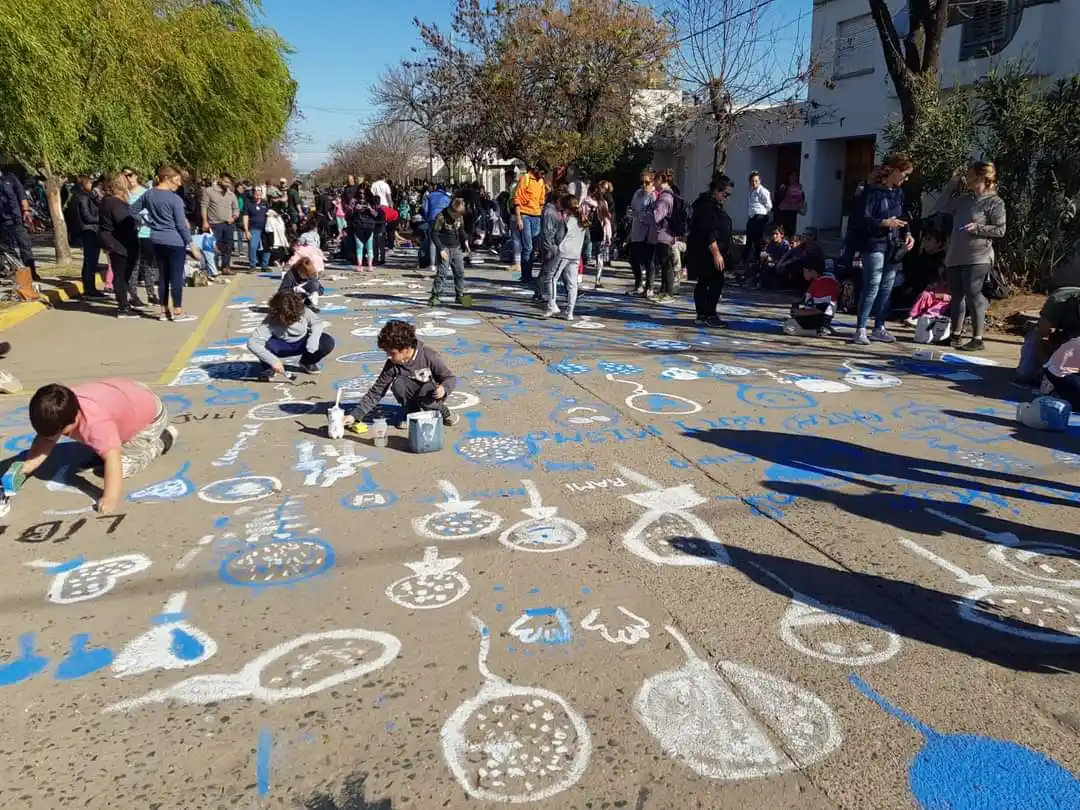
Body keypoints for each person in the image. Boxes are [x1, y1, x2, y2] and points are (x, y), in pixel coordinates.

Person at [16, 379, 178, 513]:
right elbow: (46, 439)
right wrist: (29, 464)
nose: (51, 437)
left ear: (74, 419)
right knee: (102, 446)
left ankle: (163, 441)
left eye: (58, 433)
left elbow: (113, 458)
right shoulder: (62, 403)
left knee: (122, 467)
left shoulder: (96, 425)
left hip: (150, 419)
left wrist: (110, 497)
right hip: (133, 393)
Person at [344, 320, 460, 429]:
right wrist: (354, 415)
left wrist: (444, 388)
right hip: (412, 392)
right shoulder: (392, 364)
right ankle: (412, 413)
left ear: (406, 348)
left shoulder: (429, 356)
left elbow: (449, 378)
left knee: (427, 395)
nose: (388, 356)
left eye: (392, 353)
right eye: (386, 352)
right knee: (398, 385)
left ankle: (444, 412)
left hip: (430, 394)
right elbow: (377, 390)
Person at [941, 161, 1007, 352]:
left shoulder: (995, 202)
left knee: (973, 293)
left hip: (978, 256)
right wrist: (952, 184)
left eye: (970, 175)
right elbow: (941, 207)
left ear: (981, 177)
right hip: (955, 254)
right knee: (957, 296)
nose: (967, 179)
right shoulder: (964, 200)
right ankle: (955, 335)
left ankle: (978, 338)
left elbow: (1000, 230)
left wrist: (978, 228)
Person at [851, 154, 915, 346]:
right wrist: (884, 222)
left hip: (893, 243)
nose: (906, 179)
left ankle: (879, 327)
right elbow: (862, 220)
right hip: (874, 243)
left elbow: (902, 215)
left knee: (887, 286)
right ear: (894, 171)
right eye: (904, 174)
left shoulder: (898, 193)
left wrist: (907, 233)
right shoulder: (871, 192)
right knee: (872, 284)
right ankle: (861, 328)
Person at [130, 165, 200, 322]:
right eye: (177, 180)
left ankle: (164, 311)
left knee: (163, 276)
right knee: (176, 277)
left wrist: (147, 222)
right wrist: (192, 245)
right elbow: (181, 225)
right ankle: (178, 311)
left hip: (157, 239)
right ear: (166, 178)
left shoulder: (149, 194)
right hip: (175, 241)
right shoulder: (175, 200)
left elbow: (132, 210)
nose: (179, 184)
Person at [246, 290, 334, 377]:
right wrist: (273, 361)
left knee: (326, 342)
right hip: (280, 346)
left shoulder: (304, 311)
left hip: (302, 343)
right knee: (262, 345)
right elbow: (253, 342)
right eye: (286, 318)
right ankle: (269, 368)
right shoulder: (270, 320)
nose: (291, 322)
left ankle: (307, 362)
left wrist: (313, 339)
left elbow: (317, 323)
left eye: (295, 318)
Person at [688, 175, 734, 328]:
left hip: (708, 251)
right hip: (707, 252)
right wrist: (716, 253)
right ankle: (709, 314)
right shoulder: (707, 207)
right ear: (716, 190)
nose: (727, 198)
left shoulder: (712, 205)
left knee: (705, 281)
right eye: (725, 194)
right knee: (715, 281)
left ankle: (703, 314)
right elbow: (709, 232)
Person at [1014, 287, 1080, 386]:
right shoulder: (1058, 301)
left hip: (1076, 339)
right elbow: (1042, 336)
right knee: (1026, 374)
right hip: (1056, 334)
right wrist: (1045, 367)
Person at [97, 176, 141, 318]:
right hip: (118, 242)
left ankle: (125, 303)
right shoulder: (113, 202)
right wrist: (137, 221)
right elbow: (123, 222)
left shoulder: (114, 200)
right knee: (120, 275)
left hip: (122, 241)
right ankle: (123, 307)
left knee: (124, 274)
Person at [547, 194, 587, 320]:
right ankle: (570, 312)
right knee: (572, 284)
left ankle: (552, 304)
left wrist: (556, 247)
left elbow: (559, 237)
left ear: (566, 208)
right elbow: (587, 240)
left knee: (552, 277)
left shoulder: (566, 221)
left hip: (564, 253)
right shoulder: (583, 221)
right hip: (576, 254)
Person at [0, 166, 40, 282]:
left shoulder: (10, 177)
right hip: (2, 222)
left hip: (16, 219)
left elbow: (21, 195)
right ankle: (19, 273)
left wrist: (26, 211)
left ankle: (31, 273)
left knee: (25, 246)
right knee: (8, 249)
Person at [512, 160, 549, 283]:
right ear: (537, 169)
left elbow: (542, 201)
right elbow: (517, 199)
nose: (543, 176)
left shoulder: (541, 181)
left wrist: (541, 214)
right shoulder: (526, 178)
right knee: (528, 247)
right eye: (542, 173)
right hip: (525, 216)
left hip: (536, 217)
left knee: (534, 249)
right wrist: (519, 218)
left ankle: (529, 274)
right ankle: (526, 276)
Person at [123, 168, 155, 307]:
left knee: (148, 264)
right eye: (125, 176)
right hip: (131, 233)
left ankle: (151, 294)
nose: (128, 178)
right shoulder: (124, 194)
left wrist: (144, 218)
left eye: (130, 175)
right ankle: (133, 296)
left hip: (147, 232)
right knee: (134, 266)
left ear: (136, 175)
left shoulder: (146, 192)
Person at [429, 197, 470, 306]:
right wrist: (441, 248)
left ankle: (459, 295)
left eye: (460, 215)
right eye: (456, 214)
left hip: (456, 247)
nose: (458, 217)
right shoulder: (441, 217)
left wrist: (465, 241)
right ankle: (435, 295)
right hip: (445, 247)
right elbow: (434, 234)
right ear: (452, 211)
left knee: (460, 272)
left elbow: (461, 230)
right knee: (442, 272)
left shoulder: (460, 217)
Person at [784, 264, 840, 337]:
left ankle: (818, 331)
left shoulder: (824, 282)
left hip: (818, 318)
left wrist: (801, 313)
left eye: (804, 271)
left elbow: (822, 309)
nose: (803, 273)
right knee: (790, 321)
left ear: (812, 270)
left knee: (789, 327)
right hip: (814, 315)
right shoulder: (817, 280)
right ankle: (821, 329)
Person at [649, 170, 680, 302]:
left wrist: (646, 214)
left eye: (654, 181)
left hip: (664, 234)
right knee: (664, 263)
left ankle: (669, 293)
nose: (653, 184)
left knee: (666, 264)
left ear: (660, 180)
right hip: (667, 233)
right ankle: (664, 291)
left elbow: (657, 216)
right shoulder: (669, 195)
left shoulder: (665, 197)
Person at [201, 173, 239, 275]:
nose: (227, 184)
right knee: (214, 247)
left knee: (228, 247)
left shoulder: (231, 194)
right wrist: (205, 221)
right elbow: (204, 207)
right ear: (220, 180)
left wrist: (233, 217)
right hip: (214, 224)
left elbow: (236, 208)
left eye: (229, 183)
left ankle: (225, 267)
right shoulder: (209, 191)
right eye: (225, 182)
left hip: (228, 225)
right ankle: (213, 268)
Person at [72, 175, 104, 297]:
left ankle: (90, 287)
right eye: (90, 183)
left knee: (91, 261)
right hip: (89, 231)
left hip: (90, 230)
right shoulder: (83, 198)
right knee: (90, 261)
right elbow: (87, 217)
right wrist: (101, 219)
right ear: (84, 184)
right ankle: (89, 288)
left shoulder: (84, 196)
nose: (91, 185)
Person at [537, 190, 567, 311]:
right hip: (552, 246)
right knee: (547, 271)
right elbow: (547, 232)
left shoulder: (558, 211)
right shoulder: (549, 212)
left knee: (549, 270)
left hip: (557, 244)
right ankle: (540, 293)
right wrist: (549, 247)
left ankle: (540, 292)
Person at [628, 170, 655, 295]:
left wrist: (640, 215)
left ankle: (649, 286)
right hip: (635, 230)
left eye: (647, 182)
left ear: (652, 182)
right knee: (633, 259)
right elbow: (632, 208)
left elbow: (653, 214)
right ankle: (638, 284)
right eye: (642, 182)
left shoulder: (653, 195)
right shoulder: (637, 193)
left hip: (648, 232)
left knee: (648, 261)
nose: (644, 185)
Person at [743, 171, 772, 267]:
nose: (754, 183)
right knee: (749, 239)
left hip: (759, 217)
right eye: (752, 181)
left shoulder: (763, 191)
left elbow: (769, 205)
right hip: (752, 218)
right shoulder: (752, 191)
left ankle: (756, 261)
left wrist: (762, 213)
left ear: (760, 181)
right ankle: (746, 260)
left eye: (756, 181)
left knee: (757, 240)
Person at [242, 186, 272, 271]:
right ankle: (252, 265)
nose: (258, 193)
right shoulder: (248, 203)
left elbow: (270, 213)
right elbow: (245, 216)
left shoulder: (265, 203)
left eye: (259, 191)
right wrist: (246, 230)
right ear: (253, 193)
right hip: (254, 228)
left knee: (267, 247)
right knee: (253, 246)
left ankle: (265, 266)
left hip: (266, 229)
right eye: (256, 191)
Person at [775, 172, 805, 238]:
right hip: (783, 209)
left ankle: (789, 240)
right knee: (782, 228)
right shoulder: (784, 186)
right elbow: (778, 196)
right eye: (792, 176)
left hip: (793, 210)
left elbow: (802, 197)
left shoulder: (799, 186)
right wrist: (781, 190)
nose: (793, 178)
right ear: (789, 177)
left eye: (795, 176)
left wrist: (801, 205)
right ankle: (782, 240)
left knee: (791, 228)